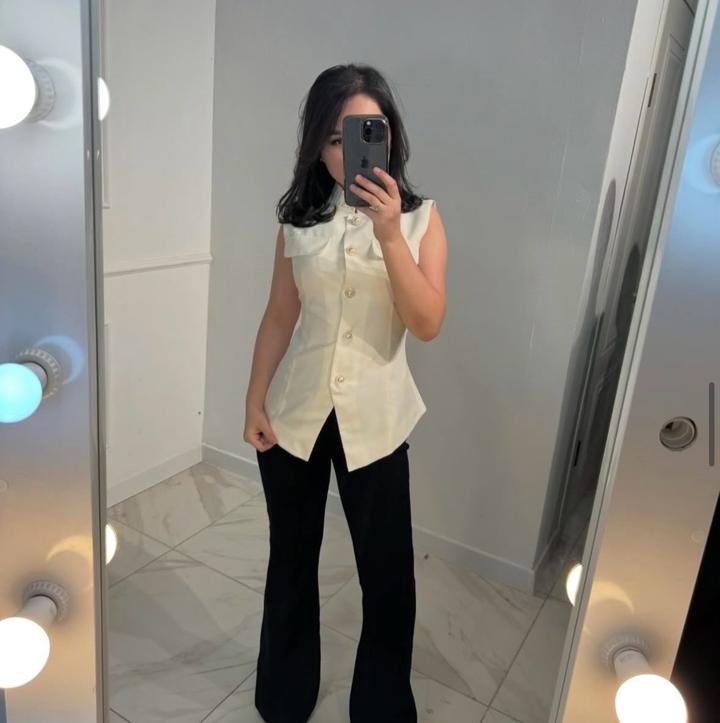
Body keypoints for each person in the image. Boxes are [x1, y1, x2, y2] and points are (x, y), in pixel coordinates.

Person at [244, 62, 447, 723]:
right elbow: (280, 316)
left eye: (366, 131)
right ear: (316, 146)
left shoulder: (421, 220)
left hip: (378, 421)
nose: (349, 149)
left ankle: (383, 709)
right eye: (335, 137)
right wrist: (254, 399)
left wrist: (388, 233)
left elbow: (427, 323)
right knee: (290, 562)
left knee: (387, 579)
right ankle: (283, 698)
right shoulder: (298, 220)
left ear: (390, 137)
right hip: (295, 416)